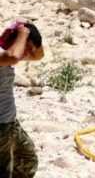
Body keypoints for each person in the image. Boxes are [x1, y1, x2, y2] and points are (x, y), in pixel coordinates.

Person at [0, 20, 44, 178]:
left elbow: (39, 55)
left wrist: (30, 29)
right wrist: (23, 33)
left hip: (9, 123)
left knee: (27, 159)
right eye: (27, 46)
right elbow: (13, 56)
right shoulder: (5, 54)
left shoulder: (8, 51)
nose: (29, 53)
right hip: (1, 127)